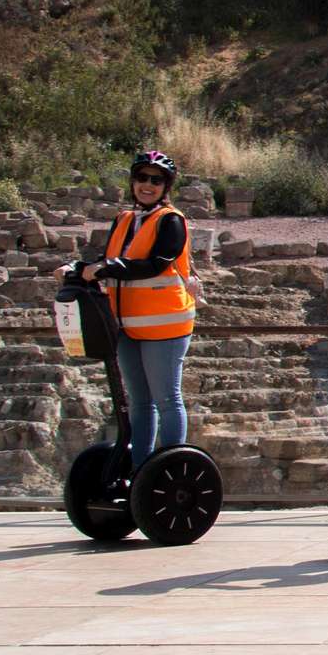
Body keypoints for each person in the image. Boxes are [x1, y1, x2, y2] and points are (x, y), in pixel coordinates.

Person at [69, 150, 199, 470]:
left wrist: (104, 268)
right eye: (142, 178)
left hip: (165, 326)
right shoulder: (124, 219)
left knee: (167, 400)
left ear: (166, 187)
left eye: (156, 180)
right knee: (139, 403)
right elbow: (107, 260)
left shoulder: (171, 220)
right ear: (132, 181)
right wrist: (77, 269)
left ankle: (170, 471)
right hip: (126, 326)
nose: (148, 185)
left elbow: (155, 264)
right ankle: (141, 473)